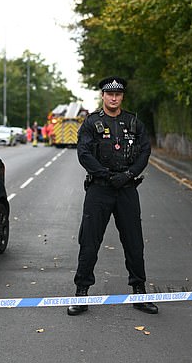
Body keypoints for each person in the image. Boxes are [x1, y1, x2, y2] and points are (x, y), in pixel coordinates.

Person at [68, 76, 158, 316]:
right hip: (100, 189)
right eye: (110, 94)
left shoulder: (133, 122)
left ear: (122, 97)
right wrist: (107, 176)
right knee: (89, 241)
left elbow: (145, 151)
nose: (114, 98)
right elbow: (84, 154)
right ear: (103, 96)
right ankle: (81, 293)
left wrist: (129, 174)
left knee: (134, 242)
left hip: (127, 189)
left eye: (118, 94)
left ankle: (139, 292)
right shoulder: (91, 123)